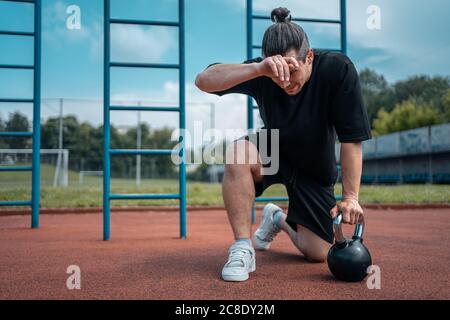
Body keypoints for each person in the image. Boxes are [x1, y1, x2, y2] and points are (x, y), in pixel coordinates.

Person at [195, 7, 372, 282]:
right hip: (273, 149)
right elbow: (203, 81)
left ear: (309, 56)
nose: (285, 80)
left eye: (292, 70)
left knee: (318, 252)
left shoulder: (338, 70)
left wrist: (351, 197)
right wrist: (258, 69)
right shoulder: (264, 71)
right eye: (278, 73)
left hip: (314, 166)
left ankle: (276, 218)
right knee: (239, 152)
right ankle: (242, 247)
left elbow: (351, 139)